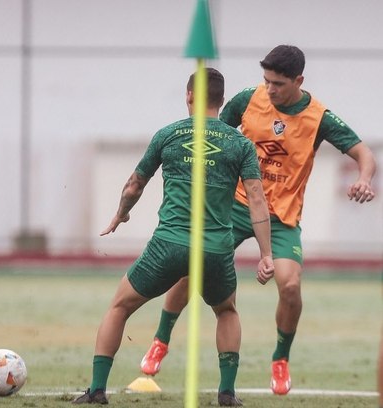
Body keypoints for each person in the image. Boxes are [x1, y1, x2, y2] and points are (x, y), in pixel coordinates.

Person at [140, 45, 378, 396]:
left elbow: (363, 153)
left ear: (299, 81)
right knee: (190, 266)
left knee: (291, 286)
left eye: (278, 83)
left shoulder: (318, 117)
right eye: (266, 80)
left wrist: (364, 178)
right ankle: (161, 338)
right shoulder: (248, 99)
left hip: (281, 217)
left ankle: (280, 359)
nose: (269, 89)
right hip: (232, 207)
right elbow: (209, 136)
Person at [72, 68, 274, 407]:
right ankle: (227, 394)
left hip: (169, 245)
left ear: (189, 96)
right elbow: (256, 199)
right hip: (216, 249)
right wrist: (266, 254)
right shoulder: (240, 143)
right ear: (221, 101)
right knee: (226, 311)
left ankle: (96, 391)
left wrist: (121, 213)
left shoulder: (168, 134)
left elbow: (134, 184)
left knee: (119, 306)